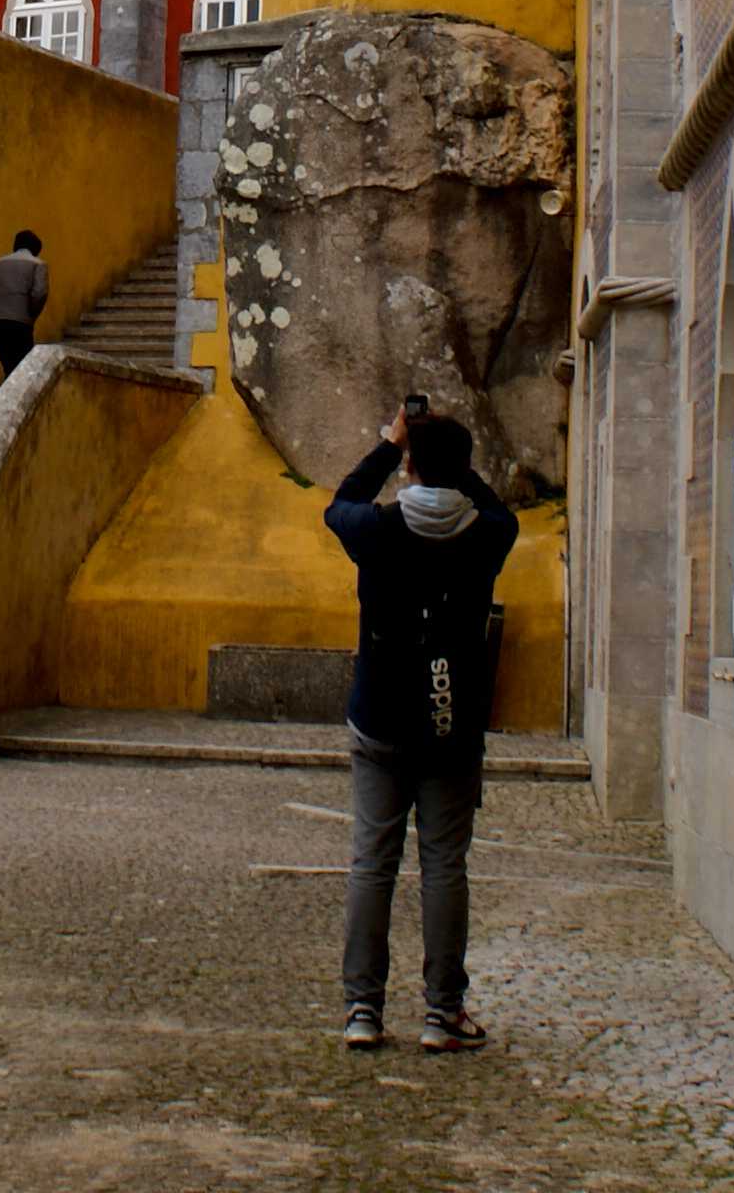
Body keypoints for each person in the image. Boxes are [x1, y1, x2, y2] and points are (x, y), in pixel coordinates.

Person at [323, 402, 519, 1053]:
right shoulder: (487, 535)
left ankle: (362, 1011)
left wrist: (388, 443)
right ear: (461, 471)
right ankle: (442, 1013)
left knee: (372, 865)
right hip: (451, 722)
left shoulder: (376, 530)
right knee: (443, 868)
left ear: (409, 465)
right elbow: (500, 511)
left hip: (380, 717)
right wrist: (453, 464)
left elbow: (338, 503)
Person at [0, 228, 50, 383]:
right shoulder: (39, 264)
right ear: (36, 249)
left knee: (8, 364)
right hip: (21, 321)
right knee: (23, 364)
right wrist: (31, 312)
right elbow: (39, 293)